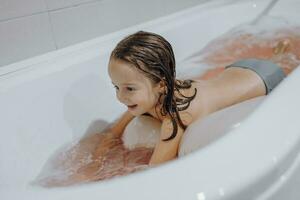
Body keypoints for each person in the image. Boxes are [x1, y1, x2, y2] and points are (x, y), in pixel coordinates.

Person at [95, 30, 299, 167]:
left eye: (129, 88)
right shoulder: (150, 92)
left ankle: (281, 52)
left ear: (161, 84)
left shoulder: (177, 115)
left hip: (263, 79)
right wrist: (97, 161)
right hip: (236, 70)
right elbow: (112, 134)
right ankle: (278, 51)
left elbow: (155, 170)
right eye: (116, 87)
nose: (120, 97)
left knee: (284, 62)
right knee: (276, 56)